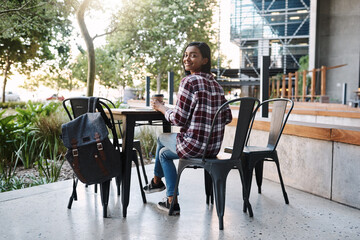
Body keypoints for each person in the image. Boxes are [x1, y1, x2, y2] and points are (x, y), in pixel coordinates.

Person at [143, 41, 232, 215]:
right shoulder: (217, 86)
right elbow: (227, 117)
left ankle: (159, 185)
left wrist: (162, 108)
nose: (187, 58)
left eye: (193, 55)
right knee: (163, 154)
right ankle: (168, 197)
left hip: (194, 146)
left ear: (205, 60)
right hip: (212, 148)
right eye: (185, 55)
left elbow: (177, 119)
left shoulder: (189, 82)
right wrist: (202, 116)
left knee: (162, 138)